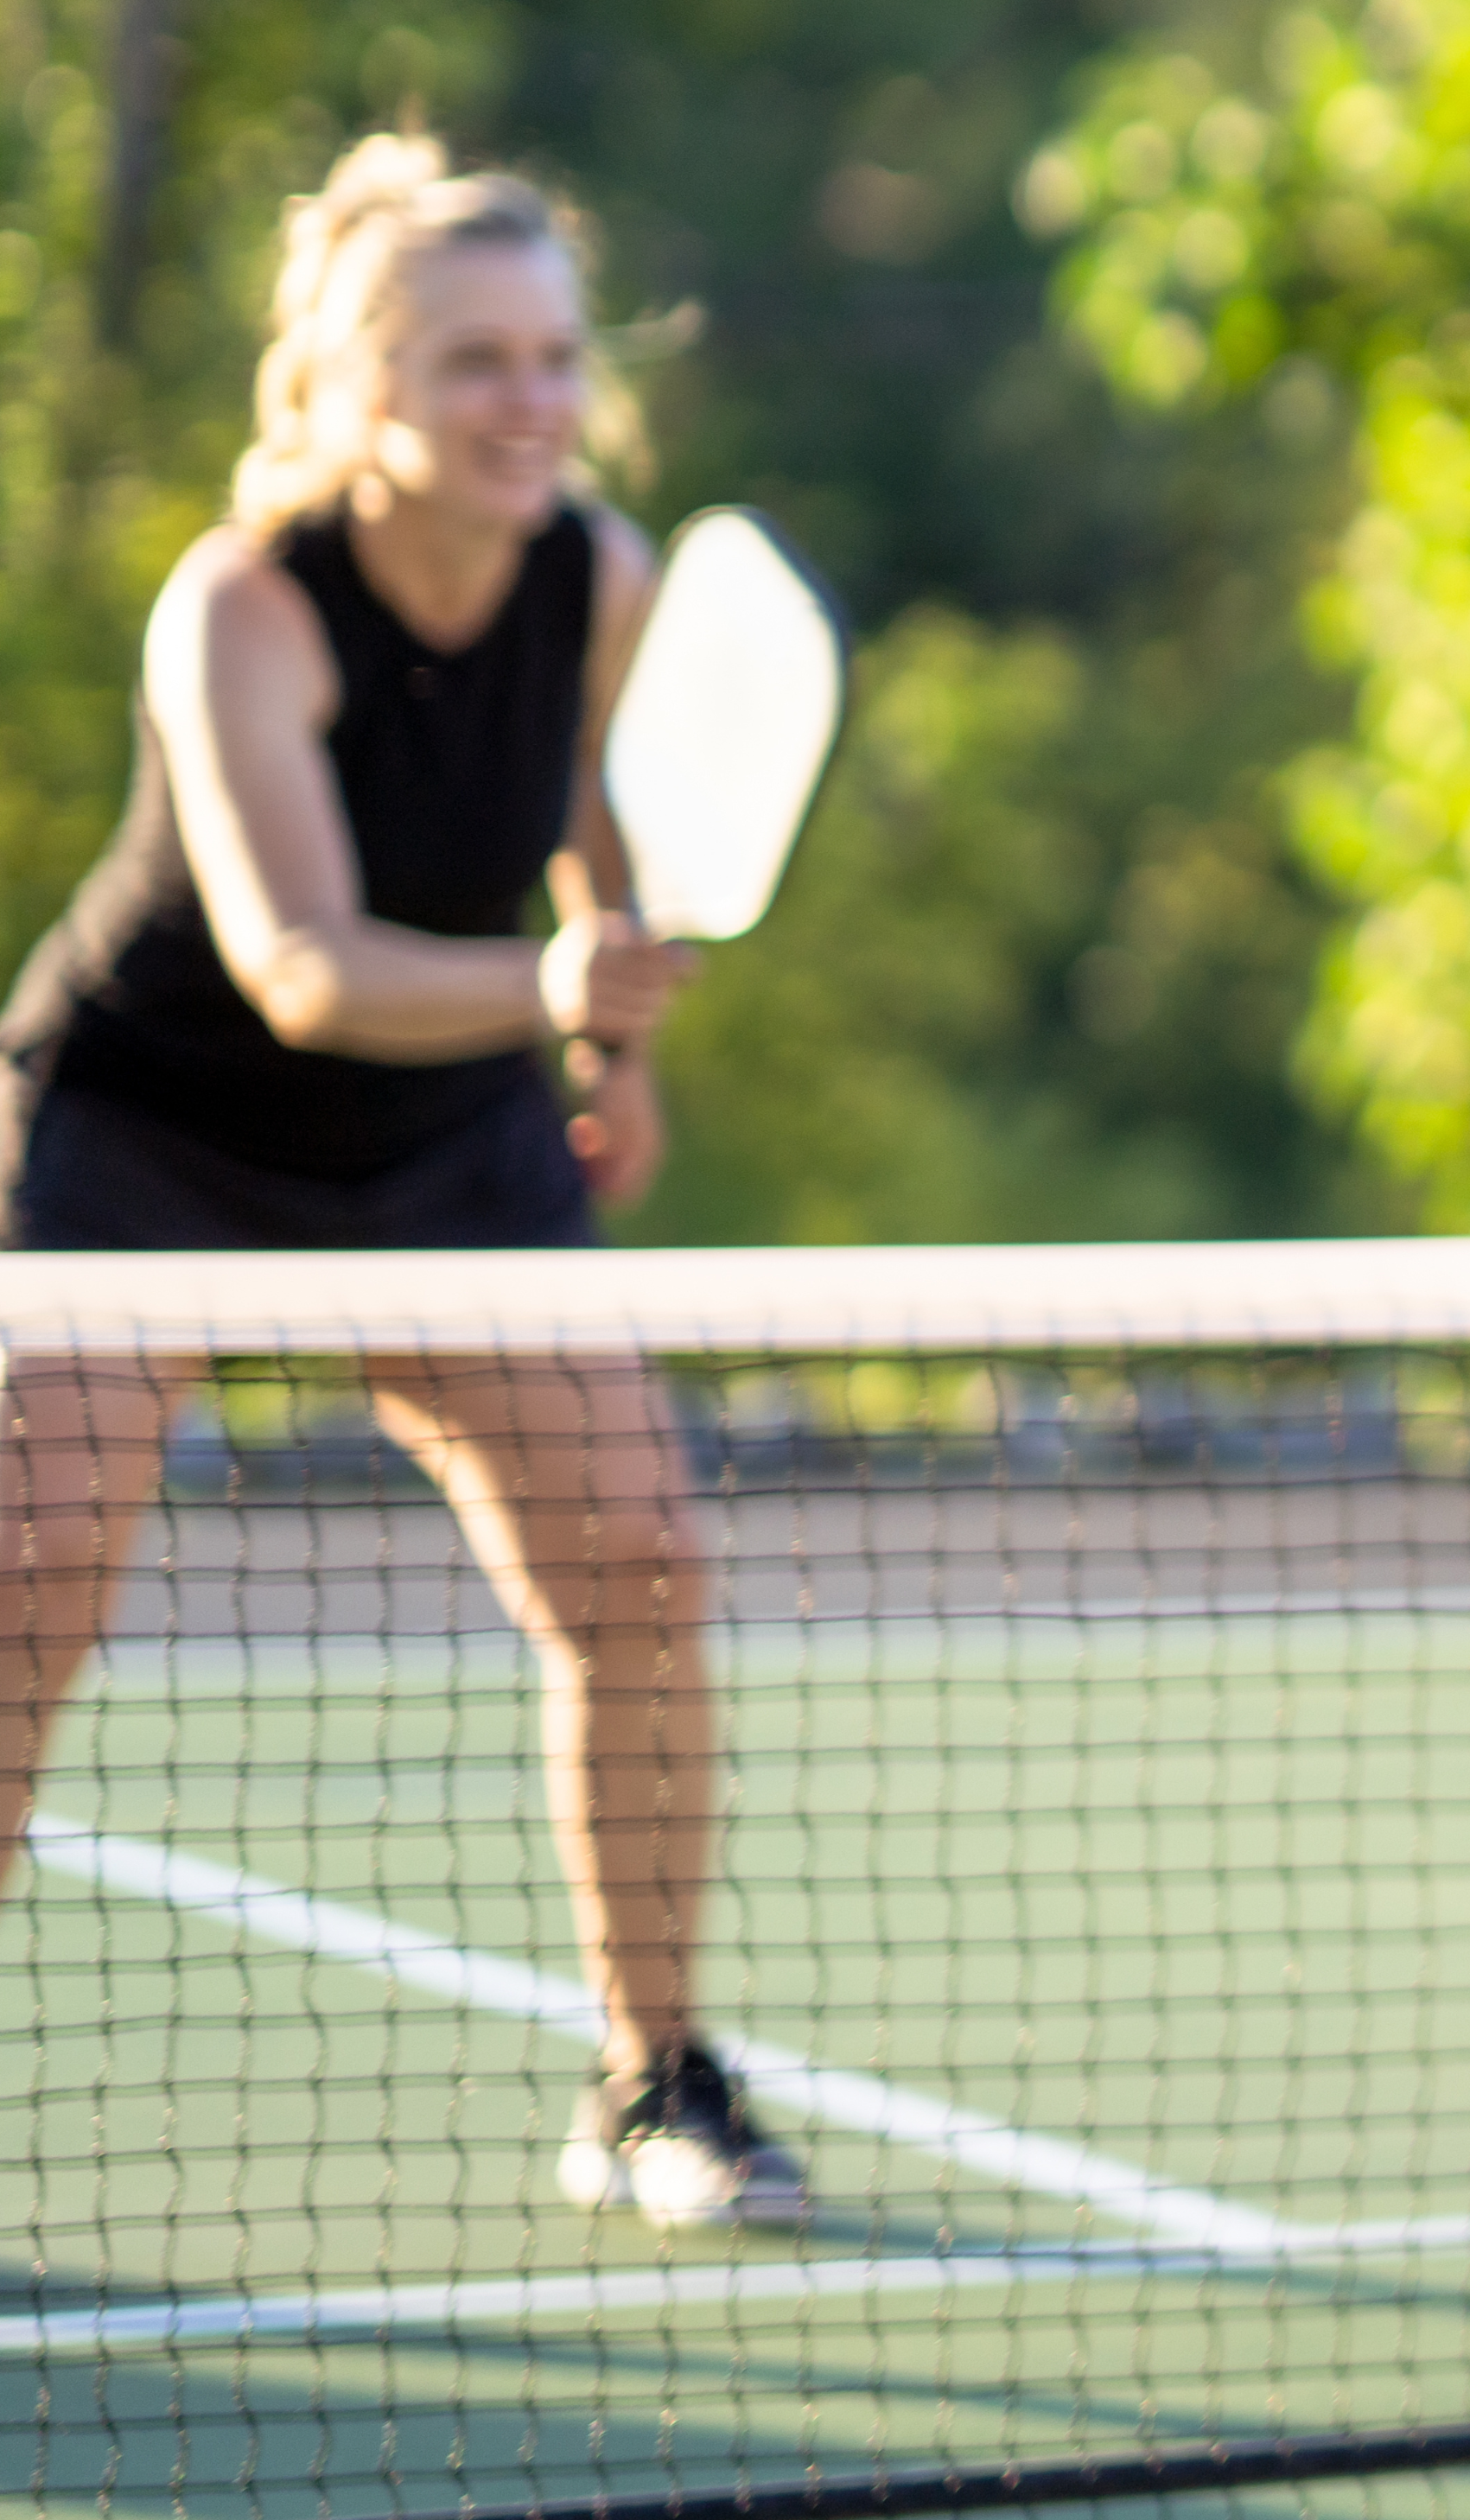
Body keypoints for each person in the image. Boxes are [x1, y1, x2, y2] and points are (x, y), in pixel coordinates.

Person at [0, 133, 794, 2229]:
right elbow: (302, 964)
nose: (531, 401)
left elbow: (603, 820)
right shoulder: (240, 605)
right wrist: (557, 991)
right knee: (25, 1574)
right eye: (474, 363)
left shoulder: (599, 575)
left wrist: (615, 1049)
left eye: (555, 358)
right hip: (146, 1137)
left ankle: (657, 2085)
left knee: (638, 1565)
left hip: (447, 1141)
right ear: (364, 393)